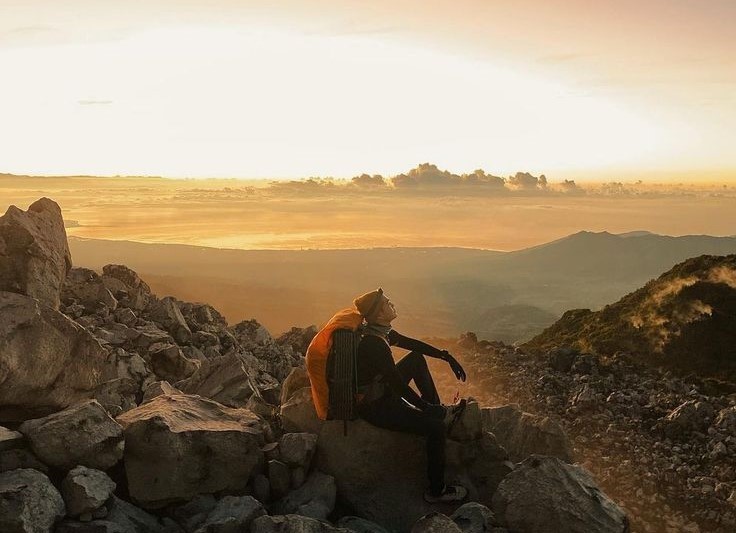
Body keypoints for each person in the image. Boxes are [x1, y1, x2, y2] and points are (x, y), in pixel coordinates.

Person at [352, 287, 469, 503]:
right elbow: (398, 385)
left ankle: (439, 412)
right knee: (436, 429)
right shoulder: (373, 343)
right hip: (376, 407)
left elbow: (412, 345)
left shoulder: (380, 331)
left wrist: (445, 356)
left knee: (415, 358)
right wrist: (427, 408)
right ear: (379, 314)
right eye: (388, 303)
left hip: (383, 392)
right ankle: (437, 491)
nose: (392, 304)